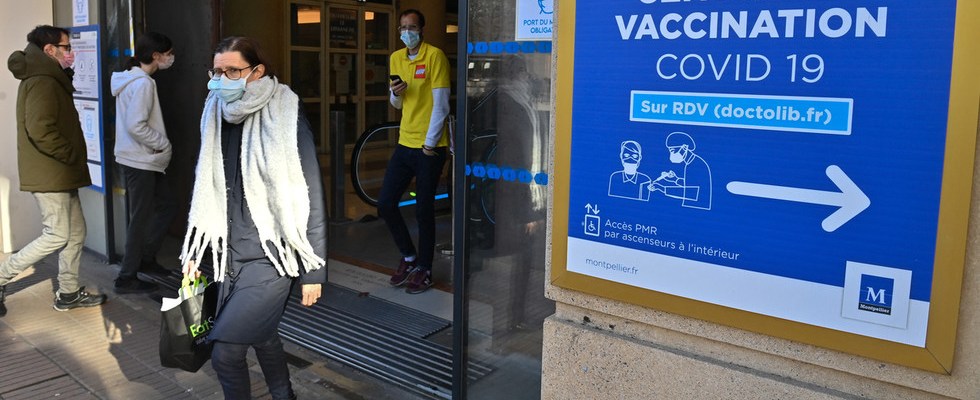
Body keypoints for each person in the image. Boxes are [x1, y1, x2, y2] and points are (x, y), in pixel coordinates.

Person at [180, 36, 326, 400]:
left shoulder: (285, 111)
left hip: (271, 258)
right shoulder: (214, 110)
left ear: (257, 71)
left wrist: (314, 272)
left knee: (226, 355)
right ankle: (284, 394)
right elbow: (205, 185)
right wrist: (196, 251)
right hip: (229, 258)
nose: (221, 79)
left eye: (232, 71)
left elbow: (309, 191)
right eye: (216, 71)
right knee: (262, 335)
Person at [0, 25, 107, 317]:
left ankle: (68, 293)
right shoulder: (42, 80)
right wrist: (69, 154)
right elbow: (40, 130)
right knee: (58, 235)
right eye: (66, 47)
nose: (71, 53)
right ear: (49, 50)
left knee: (76, 233)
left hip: (60, 172)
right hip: (51, 173)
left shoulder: (50, 76)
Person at [383, 9, 451, 294]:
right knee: (386, 203)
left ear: (421, 29)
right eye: (402, 27)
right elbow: (396, 104)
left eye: (411, 27)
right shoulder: (396, 58)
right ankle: (409, 257)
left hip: (430, 147)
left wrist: (429, 144)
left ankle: (424, 268)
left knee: (423, 210)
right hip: (405, 142)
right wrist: (395, 93)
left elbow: (442, 105)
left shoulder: (435, 56)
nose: (406, 32)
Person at [110, 32, 178, 294]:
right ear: (156, 55)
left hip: (140, 158)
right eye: (168, 54)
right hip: (141, 159)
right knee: (141, 217)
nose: (171, 58)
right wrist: (162, 143)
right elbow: (135, 125)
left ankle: (146, 259)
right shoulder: (143, 84)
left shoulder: (131, 79)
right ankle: (126, 277)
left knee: (166, 206)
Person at [650, 131, 713, 210]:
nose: (671, 155)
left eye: (672, 151)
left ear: (684, 148)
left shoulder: (697, 165)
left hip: (697, 208)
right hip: (692, 206)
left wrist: (661, 188)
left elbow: (692, 193)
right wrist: (675, 179)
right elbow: (692, 184)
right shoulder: (690, 163)